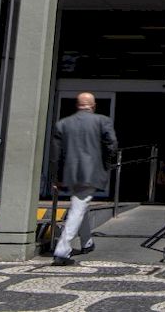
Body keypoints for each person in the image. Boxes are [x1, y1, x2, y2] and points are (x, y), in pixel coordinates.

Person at [50, 92, 118, 266]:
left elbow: (56, 154)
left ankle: (87, 242)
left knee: (80, 206)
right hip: (91, 173)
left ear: (77, 105)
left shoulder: (63, 124)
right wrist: (105, 165)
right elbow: (112, 145)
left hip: (70, 174)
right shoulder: (102, 121)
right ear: (93, 106)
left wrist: (56, 177)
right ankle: (62, 250)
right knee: (78, 208)